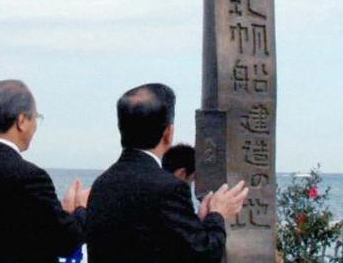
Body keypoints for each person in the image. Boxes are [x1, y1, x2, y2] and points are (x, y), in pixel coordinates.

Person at [86, 83, 249, 263]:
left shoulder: (101, 185)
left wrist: (196, 223)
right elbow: (204, 254)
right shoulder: (169, 189)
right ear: (168, 133)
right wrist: (217, 214)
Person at [0, 80, 88, 262]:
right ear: (22, 120)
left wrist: (62, 215)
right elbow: (65, 241)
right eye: (35, 118)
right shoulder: (30, 177)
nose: (35, 126)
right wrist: (82, 209)